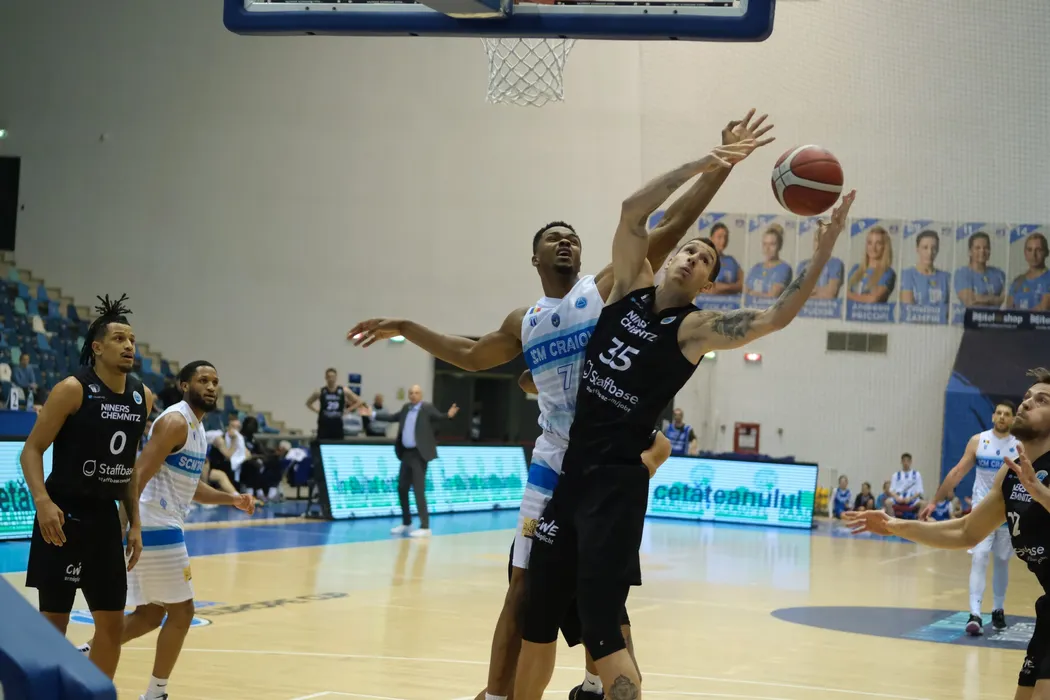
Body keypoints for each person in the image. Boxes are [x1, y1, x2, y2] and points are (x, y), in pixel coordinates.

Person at [349, 111, 774, 700]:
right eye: (554, 237)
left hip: (607, 459)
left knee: (606, 598)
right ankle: (499, 694)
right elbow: (468, 354)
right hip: (553, 462)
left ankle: (601, 684)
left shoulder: (601, 291)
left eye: (572, 235)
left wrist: (720, 163)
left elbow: (671, 225)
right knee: (523, 587)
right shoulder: (523, 322)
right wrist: (405, 326)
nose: (566, 240)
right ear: (536, 258)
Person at [512, 139, 855, 699]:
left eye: (705, 261)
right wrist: (705, 162)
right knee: (537, 620)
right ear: (668, 259)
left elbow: (776, 316)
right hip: (570, 479)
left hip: (615, 492)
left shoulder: (695, 331)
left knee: (603, 632)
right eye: (689, 251)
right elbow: (632, 212)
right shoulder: (627, 289)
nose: (693, 258)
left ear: (707, 285)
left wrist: (824, 248)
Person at [845, 368, 1050, 699]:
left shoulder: (1035, 479)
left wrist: (1040, 493)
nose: (1027, 403)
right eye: (1027, 396)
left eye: (1042, 400)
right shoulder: (1012, 474)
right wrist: (893, 525)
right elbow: (966, 531)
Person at [77, 361, 255, 700]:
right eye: (203, 380)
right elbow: (138, 475)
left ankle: (84, 653)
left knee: (149, 615)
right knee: (183, 612)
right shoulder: (175, 422)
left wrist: (231, 499)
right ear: (184, 385)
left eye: (215, 381)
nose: (211, 386)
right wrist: (128, 528)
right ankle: (155, 694)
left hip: (162, 525)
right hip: (155, 526)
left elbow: (190, 486)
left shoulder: (198, 429)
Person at [20, 294, 154, 679]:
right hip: (62, 518)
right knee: (54, 624)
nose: (128, 346)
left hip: (104, 522)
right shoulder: (73, 389)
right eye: (119, 339)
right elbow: (31, 450)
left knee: (111, 625)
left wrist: (135, 523)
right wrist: (43, 502)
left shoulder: (142, 397)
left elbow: (128, 468)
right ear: (97, 348)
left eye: (132, 339)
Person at [919, 400, 1019, 635]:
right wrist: (934, 501)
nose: (1002, 417)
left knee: (1002, 560)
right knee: (979, 557)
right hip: (981, 511)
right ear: (993, 416)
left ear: (1013, 419)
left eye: (1007, 414)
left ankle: (998, 609)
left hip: (1006, 512)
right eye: (999, 413)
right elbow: (957, 473)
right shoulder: (978, 441)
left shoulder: (1019, 445)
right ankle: (975, 614)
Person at [366, 384, 459, 538]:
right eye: (411, 393)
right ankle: (407, 522)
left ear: (421, 395)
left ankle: (425, 526)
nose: (413, 395)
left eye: (416, 393)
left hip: (419, 454)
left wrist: (448, 415)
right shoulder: (405, 408)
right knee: (402, 488)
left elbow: (438, 417)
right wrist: (373, 414)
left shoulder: (426, 408)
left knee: (418, 489)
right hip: (406, 454)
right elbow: (393, 417)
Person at [306, 368, 364, 440]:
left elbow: (359, 401)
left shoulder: (343, 390)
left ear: (336, 378)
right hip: (324, 424)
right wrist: (317, 411)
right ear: (326, 378)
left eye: (332, 377)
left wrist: (348, 410)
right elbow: (308, 403)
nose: (331, 379)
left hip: (337, 424)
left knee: (337, 444)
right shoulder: (320, 391)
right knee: (322, 443)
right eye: (329, 377)